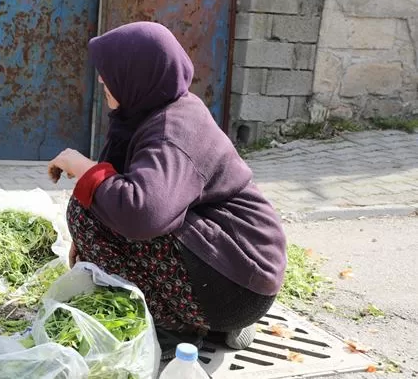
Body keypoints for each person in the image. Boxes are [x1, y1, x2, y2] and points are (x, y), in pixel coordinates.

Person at [48, 21, 287, 360]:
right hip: (238, 275)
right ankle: (210, 322)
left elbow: (143, 213)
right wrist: (88, 245)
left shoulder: (171, 130)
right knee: (98, 202)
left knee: (88, 209)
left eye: (111, 73)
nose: (102, 79)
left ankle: (178, 329)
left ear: (139, 74)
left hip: (238, 282)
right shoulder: (150, 112)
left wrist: (82, 168)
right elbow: (119, 183)